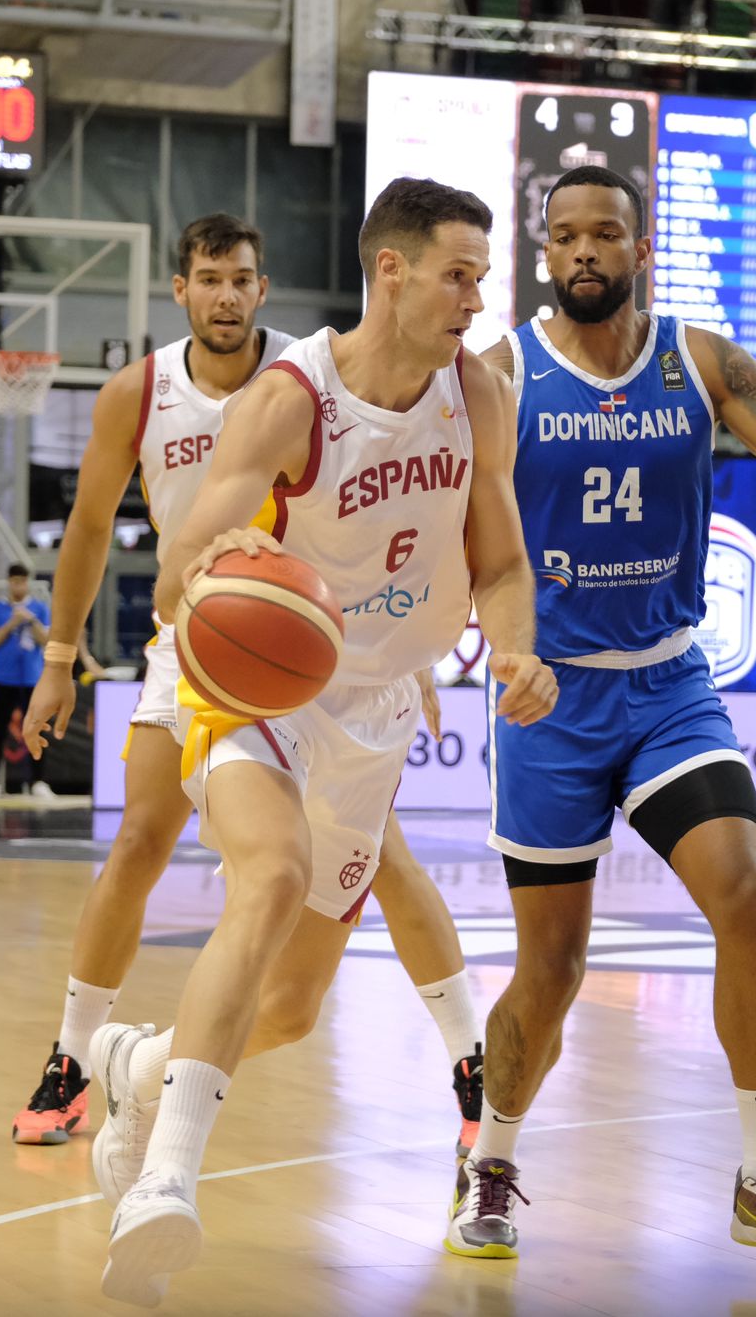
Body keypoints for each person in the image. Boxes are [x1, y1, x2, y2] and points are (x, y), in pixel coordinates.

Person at [91, 178, 557, 1304]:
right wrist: (199, 580)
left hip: (375, 706)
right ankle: (164, 1182)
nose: (475, 294)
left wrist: (511, 649)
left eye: (481, 274)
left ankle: (135, 1067)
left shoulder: (479, 397)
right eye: (458, 271)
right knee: (271, 875)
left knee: (291, 1009)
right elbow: (187, 549)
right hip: (253, 690)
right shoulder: (291, 397)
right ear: (389, 272)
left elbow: (497, 562)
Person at [14, 214, 493, 1166]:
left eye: (241, 278)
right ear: (182, 292)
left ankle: (471, 1057)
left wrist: (411, 655)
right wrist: (60, 658)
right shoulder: (138, 394)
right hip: (194, 638)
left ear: (262, 289)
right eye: (208, 280)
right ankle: (71, 1057)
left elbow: (399, 524)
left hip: (317, 650)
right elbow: (89, 531)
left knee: (383, 861)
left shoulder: (319, 377)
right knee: (143, 838)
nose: (226, 295)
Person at [459, 165, 756, 1267]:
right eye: (565, 237)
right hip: (547, 695)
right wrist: (502, 648)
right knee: (551, 971)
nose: (585, 251)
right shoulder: (500, 375)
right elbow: (467, 536)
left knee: (745, 892)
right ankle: (490, 1159)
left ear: (640, 250)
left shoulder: (697, 360)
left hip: (667, 684)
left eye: (606, 234)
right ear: (543, 256)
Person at [0, 563, 49, 797]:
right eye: (14, 581)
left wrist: (30, 621)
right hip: (3, 678)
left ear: (27, 582)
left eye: (22, 581)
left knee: (37, 728)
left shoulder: (38, 608)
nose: (18, 585)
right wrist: (11, 623)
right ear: (9, 582)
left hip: (31, 678)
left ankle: (38, 781)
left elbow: (46, 640)